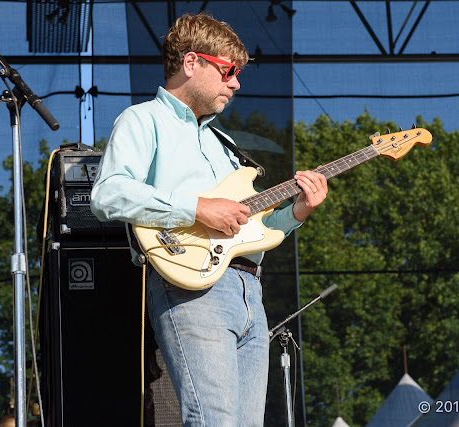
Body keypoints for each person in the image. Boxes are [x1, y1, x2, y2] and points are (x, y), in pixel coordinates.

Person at [90, 12, 327, 427]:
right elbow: (108, 194)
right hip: (192, 289)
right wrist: (198, 208)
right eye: (227, 70)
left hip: (249, 291)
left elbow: (251, 229)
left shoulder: (227, 144)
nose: (235, 83)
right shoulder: (143, 120)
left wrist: (299, 212)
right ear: (191, 63)